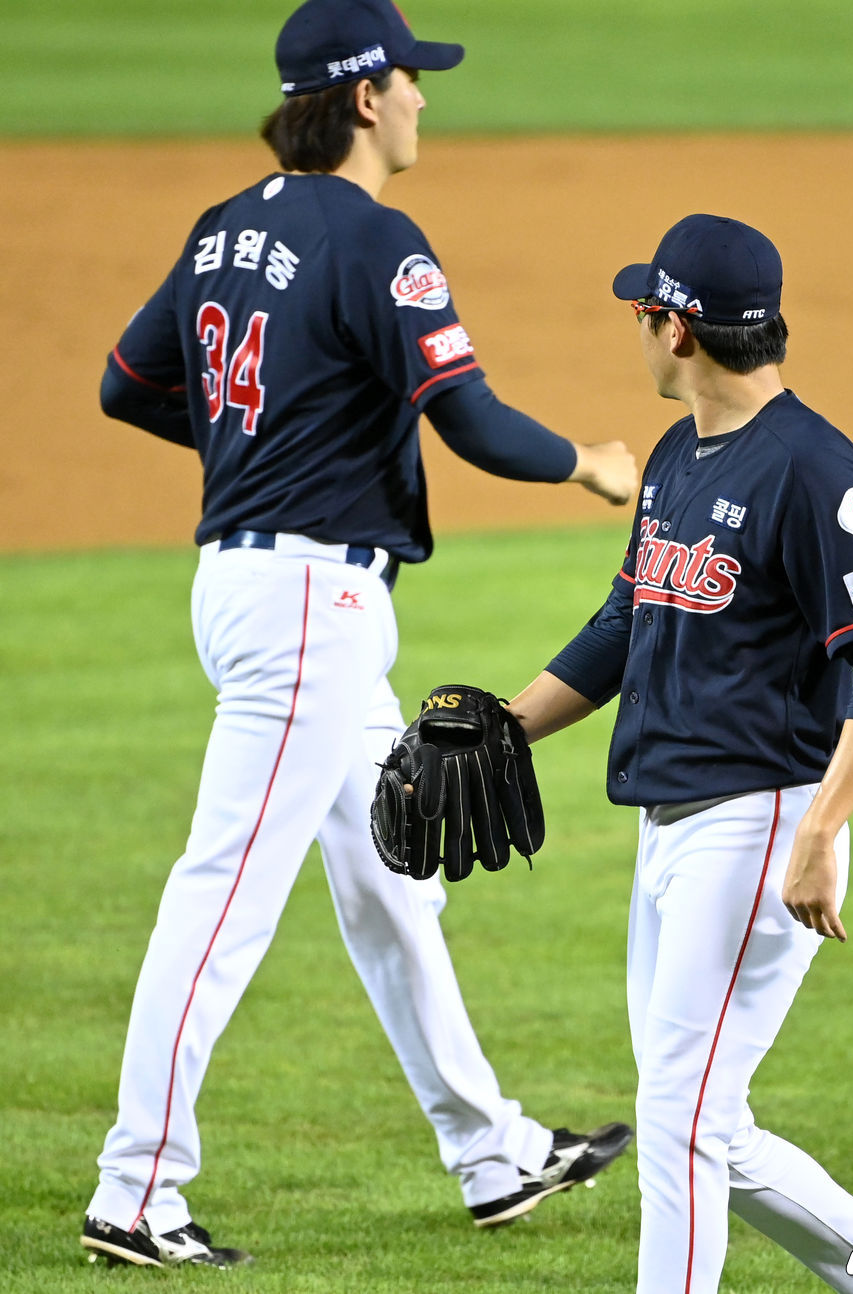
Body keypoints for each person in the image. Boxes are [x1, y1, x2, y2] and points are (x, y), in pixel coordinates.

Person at [79, 0, 636, 1270]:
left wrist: (251, 442)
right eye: (410, 79)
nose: (426, 98)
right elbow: (476, 421)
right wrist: (591, 467)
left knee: (394, 876)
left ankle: (492, 1151)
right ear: (363, 96)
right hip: (309, 614)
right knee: (219, 901)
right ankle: (136, 1187)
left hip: (253, 594)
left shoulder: (224, 229)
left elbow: (127, 384)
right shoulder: (380, 240)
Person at [507, 214, 853, 1294]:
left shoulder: (814, 468)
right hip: (672, 829)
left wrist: (820, 831)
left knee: (676, 1116)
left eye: (644, 312)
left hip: (762, 824)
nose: (635, 330)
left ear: (677, 329)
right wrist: (507, 727)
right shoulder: (681, 452)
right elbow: (622, 624)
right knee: (708, 1124)